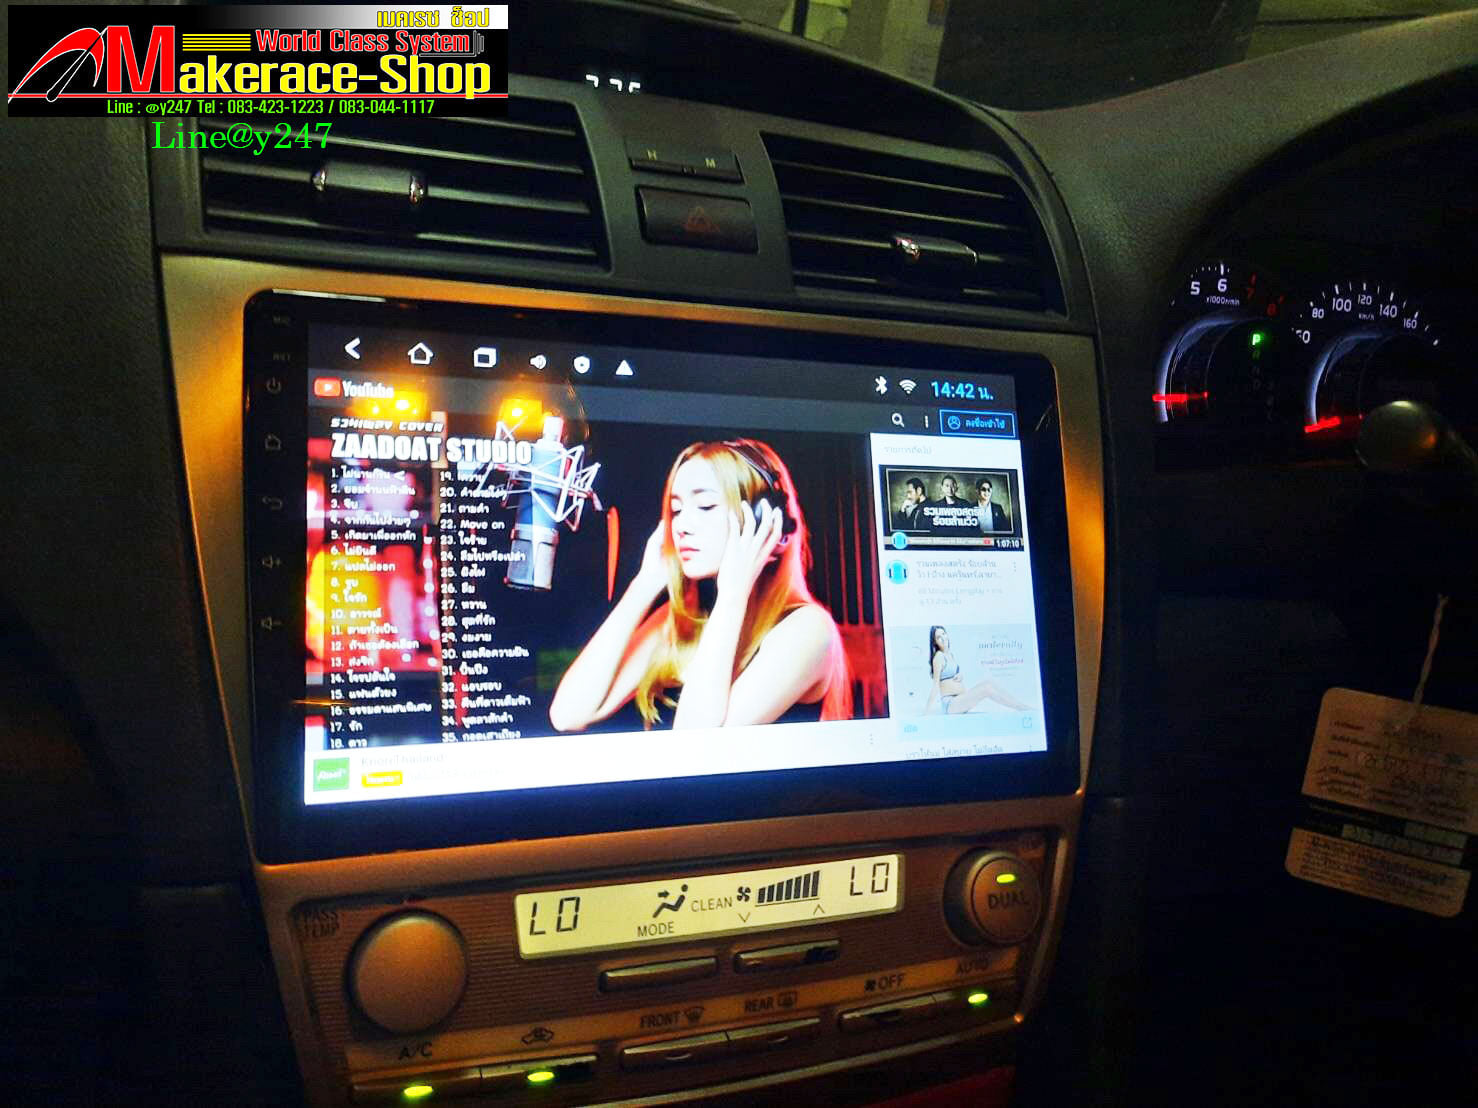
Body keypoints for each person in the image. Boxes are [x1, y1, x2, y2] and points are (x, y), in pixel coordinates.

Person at [550, 438, 851, 731]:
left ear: (765, 521)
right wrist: (645, 583)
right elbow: (567, 715)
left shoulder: (809, 630)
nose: (680, 526)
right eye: (676, 510)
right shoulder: (682, 621)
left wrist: (733, 594)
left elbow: (696, 744)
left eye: (706, 506)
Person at [923, 626, 1030, 715]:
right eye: (939, 637)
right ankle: (1020, 707)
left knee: (989, 682)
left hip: (959, 699)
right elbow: (936, 685)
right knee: (986, 689)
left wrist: (959, 675)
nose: (943, 638)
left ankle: (1019, 705)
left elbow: (948, 675)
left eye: (943, 634)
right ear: (935, 642)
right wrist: (926, 712)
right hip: (951, 704)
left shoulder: (950, 655)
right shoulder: (938, 657)